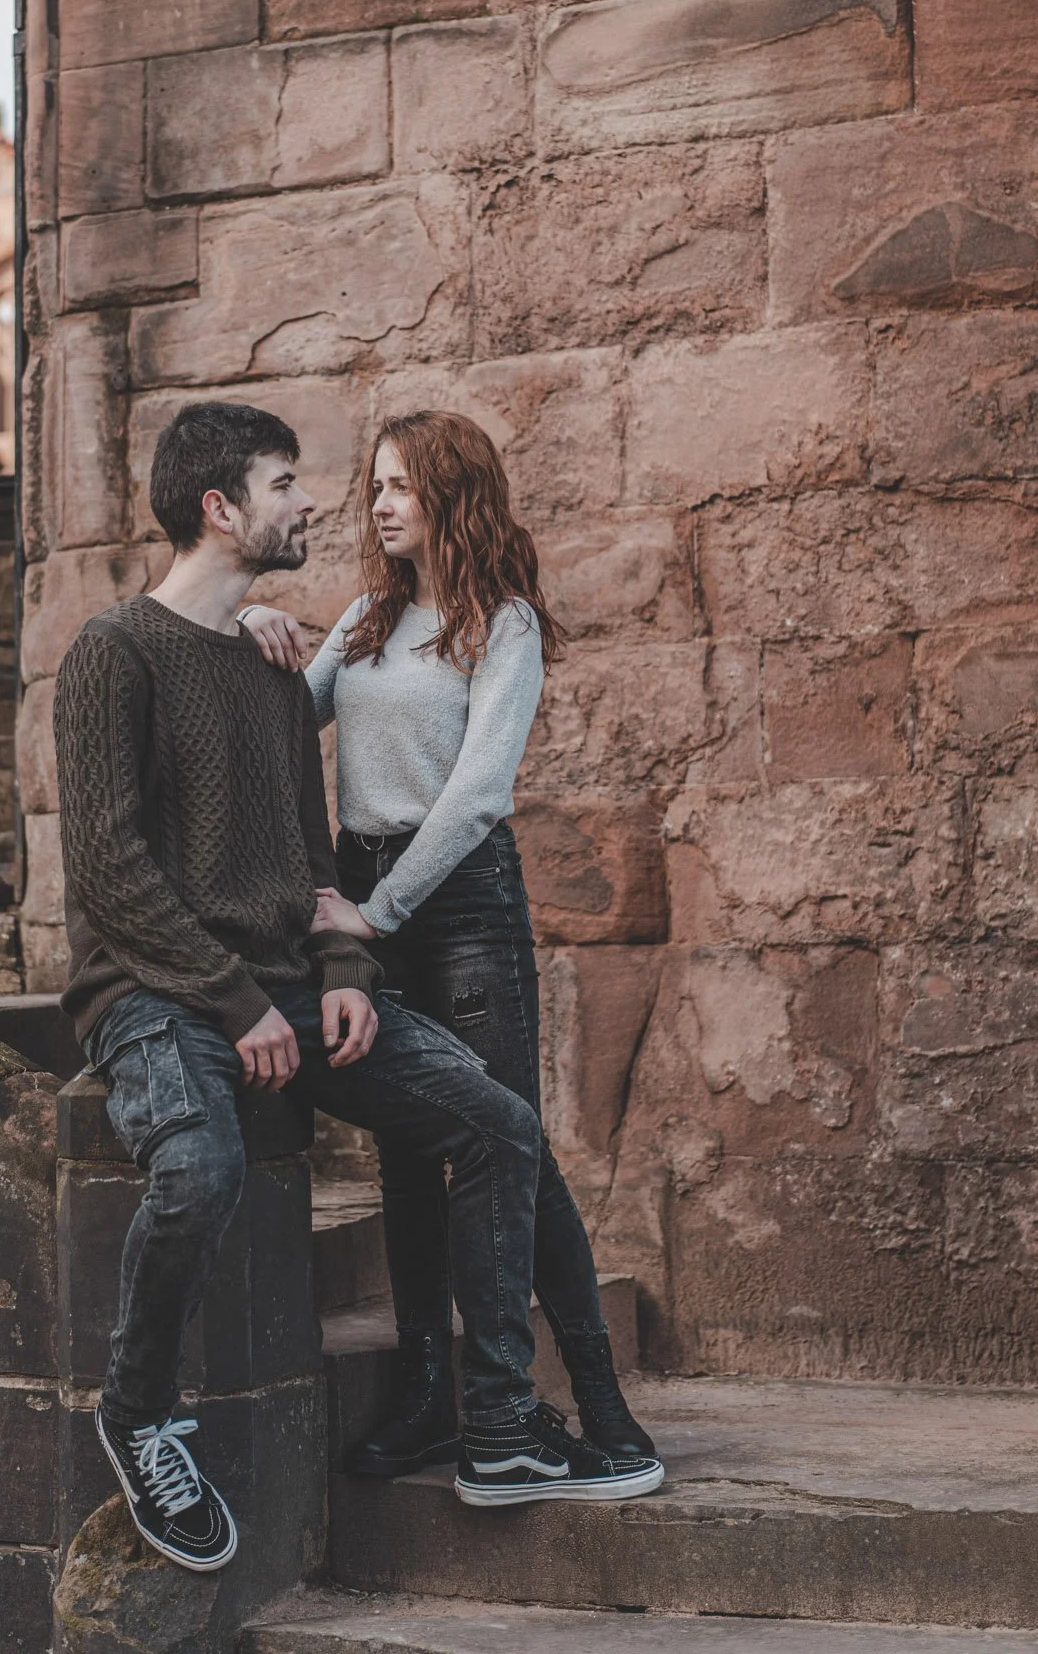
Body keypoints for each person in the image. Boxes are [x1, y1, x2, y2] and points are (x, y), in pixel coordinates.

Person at [54, 402, 663, 1575]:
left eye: (384, 485)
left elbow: (306, 856)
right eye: (292, 483)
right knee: (201, 1164)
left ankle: (513, 1411)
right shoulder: (119, 652)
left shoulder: (399, 649)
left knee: (497, 1124)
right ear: (222, 507)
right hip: (165, 987)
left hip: (392, 931)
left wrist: (342, 966)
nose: (329, 502)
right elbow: (114, 873)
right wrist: (244, 999)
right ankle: (138, 1413)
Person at [240, 409, 658, 1477]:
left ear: (450, 493)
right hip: (369, 891)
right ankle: (433, 1394)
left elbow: (477, 796)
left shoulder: (501, 623)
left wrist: (375, 915)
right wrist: (252, 626)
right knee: (407, 1149)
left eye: (398, 486)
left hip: (460, 904)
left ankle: (603, 1409)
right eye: (373, 484)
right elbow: (290, 716)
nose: (376, 503)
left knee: (509, 1139)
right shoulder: (369, 619)